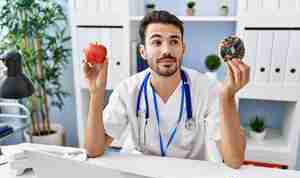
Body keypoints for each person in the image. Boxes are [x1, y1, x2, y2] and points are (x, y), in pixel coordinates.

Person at [83, 10, 249, 169]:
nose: (167, 50)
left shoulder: (207, 88)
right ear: (143, 51)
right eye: (156, 42)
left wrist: (228, 96)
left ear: (182, 48)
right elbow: (93, 150)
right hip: (141, 172)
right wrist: (96, 93)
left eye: (174, 41)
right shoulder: (128, 89)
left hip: (190, 177)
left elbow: (234, 160)